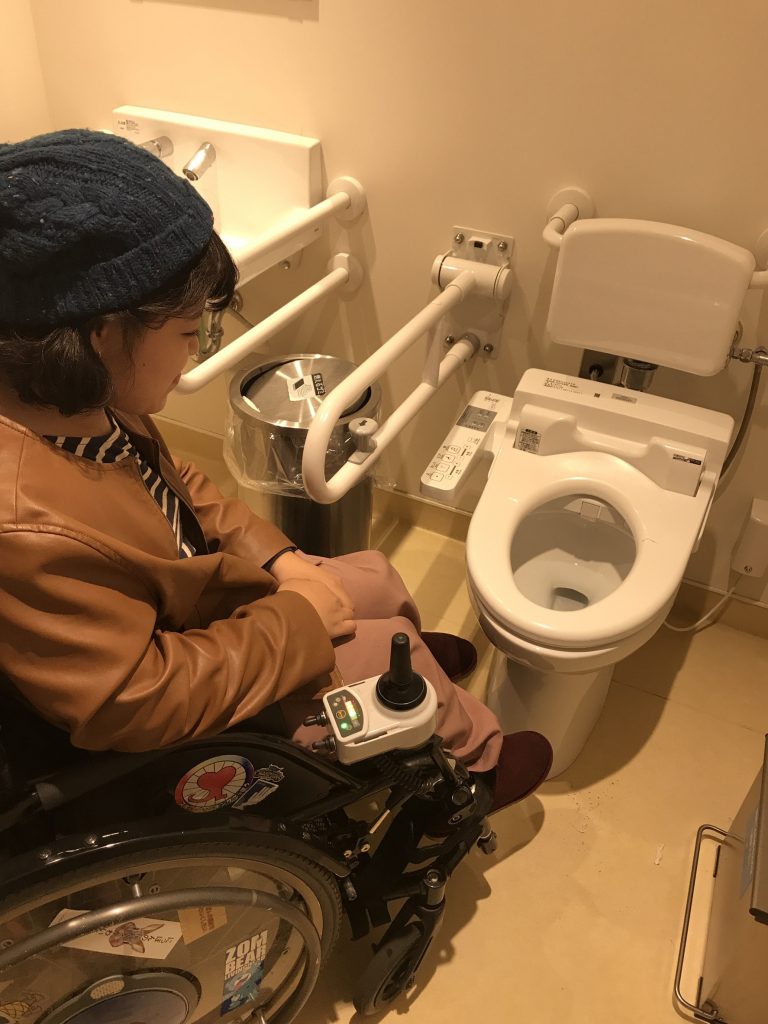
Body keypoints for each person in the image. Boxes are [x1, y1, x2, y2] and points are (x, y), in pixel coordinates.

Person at [0, 128, 551, 811]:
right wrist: (299, 621)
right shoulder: (26, 527)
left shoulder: (77, 395)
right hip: (173, 684)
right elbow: (133, 700)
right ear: (103, 335)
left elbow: (177, 488)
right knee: (382, 646)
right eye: (187, 333)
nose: (195, 354)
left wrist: (282, 559)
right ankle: (471, 774)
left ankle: (413, 667)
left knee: (374, 576)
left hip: (195, 605)